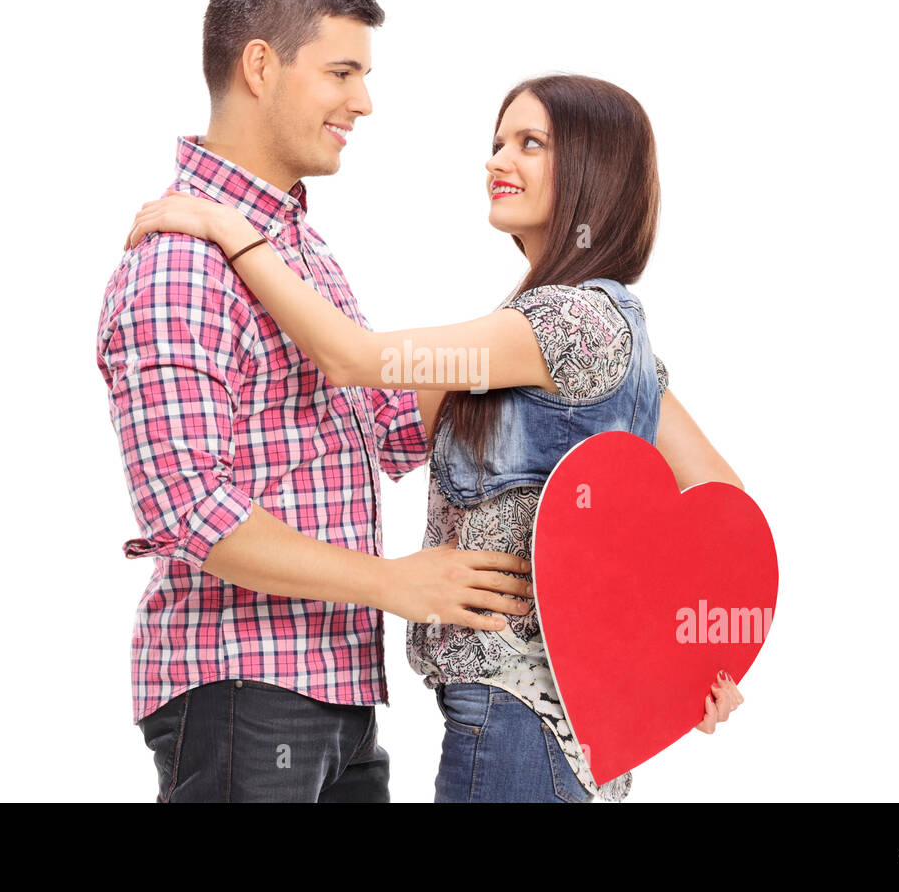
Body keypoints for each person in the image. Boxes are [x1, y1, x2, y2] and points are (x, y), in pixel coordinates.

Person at [125, 73, 749, 802]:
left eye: (530, 143)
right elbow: (717, 499)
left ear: (593, 169)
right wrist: (684, 655)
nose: (497, 160)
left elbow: (352, 358)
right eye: (496, 142)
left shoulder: (565, 326)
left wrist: (234, 232)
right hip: (572, 732)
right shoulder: (597, 334)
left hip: (519, 719)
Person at [96, 0, 535, 803]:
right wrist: (395, 583)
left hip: (333, 692)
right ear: (261, 65)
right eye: (342, 71)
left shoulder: (293, 253)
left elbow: (388, 431)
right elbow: (189, 508)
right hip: (241, 689)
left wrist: (532, 323)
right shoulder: (181, 265)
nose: (363, 101)